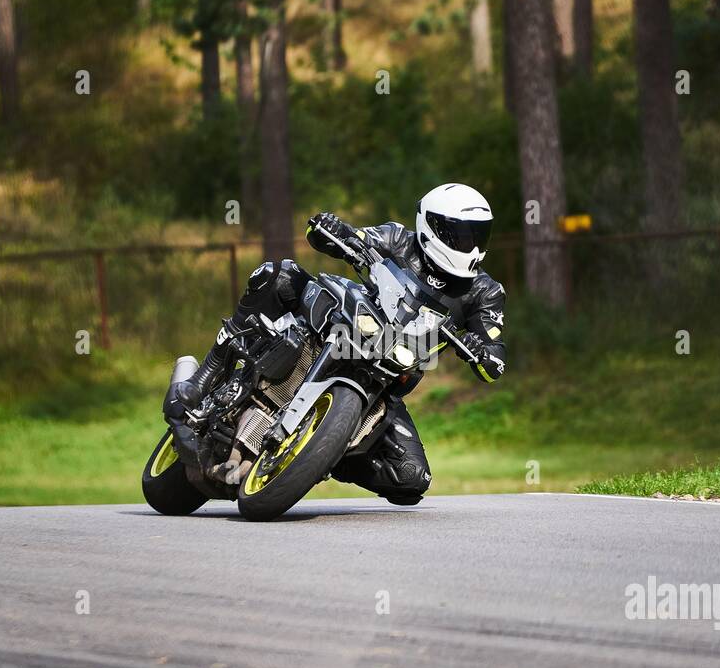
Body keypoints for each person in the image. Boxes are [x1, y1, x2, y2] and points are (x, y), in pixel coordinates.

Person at [179, 183, 507, 504]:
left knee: (411, 477)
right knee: (278, 275)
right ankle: (208, 373)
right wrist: (335, 230)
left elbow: (495, 358)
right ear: (433, 227)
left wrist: (483, 353)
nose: (472, 247)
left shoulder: (485, 292)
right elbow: (353, 237)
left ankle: (324, 453)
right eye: (464, 235)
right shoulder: (398, 238)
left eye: (479, 235)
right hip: (350, 326)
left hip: (388, 377)